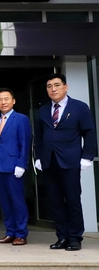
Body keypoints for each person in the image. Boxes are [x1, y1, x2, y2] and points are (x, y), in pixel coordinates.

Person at [34, 73, 97, 251]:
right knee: (55, 202)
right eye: (49, 86)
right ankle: (62, 236)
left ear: (65, 87)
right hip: (49, 162)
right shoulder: (44, 110)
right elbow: (39, 135)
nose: (53, 89)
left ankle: (75, 237)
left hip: (70, 162)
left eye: (56, 85)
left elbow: (89, 133)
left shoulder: (79, 107)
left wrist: (87, 156)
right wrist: (38, 157)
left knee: (72, 200)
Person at [0, 87, 31, 246]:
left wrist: (21, 164)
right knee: (5, 202)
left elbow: (25, 143)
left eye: (6, 99)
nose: (3, 102)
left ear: (13, 101)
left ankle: (21, 233)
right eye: (0, 99)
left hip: (14, 167)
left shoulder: (21, 119)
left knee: (17, 201)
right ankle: (10, 232)